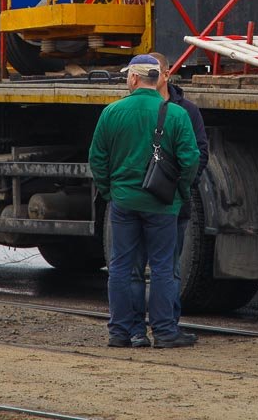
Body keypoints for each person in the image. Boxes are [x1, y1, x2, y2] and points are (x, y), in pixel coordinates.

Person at [89, 54, 199, 349]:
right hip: (162, 205)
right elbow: (191, 160)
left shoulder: (112, 112)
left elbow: (97, 159)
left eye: (127, 76)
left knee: (122, 266)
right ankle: (164, 332)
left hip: (123, 202)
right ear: (156, 78)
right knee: (163, 267)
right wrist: (180, 191)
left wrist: (110, 191)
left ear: (135, 78)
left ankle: (121, 332)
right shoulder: (176, 115)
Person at [125, 51, 209, 344]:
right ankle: (146, 330)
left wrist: (180, 191)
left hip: (165, 202)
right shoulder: (165, 111)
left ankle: (161, 327)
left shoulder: (185, 110)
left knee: (164, 268)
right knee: (146, 268)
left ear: (166, 74)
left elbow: (198, 156)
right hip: (154, 202)